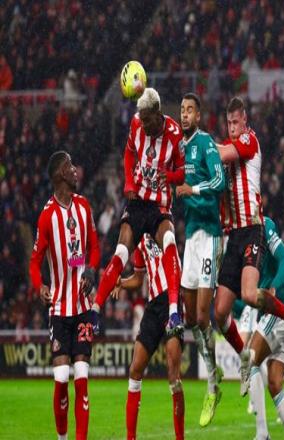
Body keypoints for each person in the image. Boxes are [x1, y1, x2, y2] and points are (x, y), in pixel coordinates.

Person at [214, 97, 284, 393]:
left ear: (245, 120)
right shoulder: (225, 151)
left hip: (253, 229)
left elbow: (222, 153)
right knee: (219, 312)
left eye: (236, 122)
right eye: (229, 123)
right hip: (233, 234)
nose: (233, 127)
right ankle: (244, 355)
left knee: (250, 294)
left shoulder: (248, 140)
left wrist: (199, 144)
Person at [92, 88, 184, 333]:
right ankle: (95, 310)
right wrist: (129, 183)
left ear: (158, 114)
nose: (143, 124)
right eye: (140, 120)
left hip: (160, 205)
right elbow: (128, 152)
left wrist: (170, 176)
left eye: (147, 120)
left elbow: (183, 172)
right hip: (138, 202)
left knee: (170, 240)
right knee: (121, 251)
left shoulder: (175, 134)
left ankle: (174, 313)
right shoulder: (136, 123)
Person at [29, 151, 100, 440]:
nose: (75, 170)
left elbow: (94, 247)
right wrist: (40, 286)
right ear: (60, 174)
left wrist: (91, 269)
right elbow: (35, 262)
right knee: (61, 378)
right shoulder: (47, 216)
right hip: (59, 308)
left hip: (82, 307)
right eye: (70, 166)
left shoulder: (84, 206)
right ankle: (62, 438)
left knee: (81, 376)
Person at [175, 92, 225, 427]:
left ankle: (212, 385)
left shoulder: (205, 143)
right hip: (191, 237)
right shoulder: (179, 149)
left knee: (204, 314)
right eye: (182, 110)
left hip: (210, 235)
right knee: (191, 316)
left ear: (199, 115)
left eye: (190, 110)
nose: (184, 114)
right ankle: (215, 372)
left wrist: (192, 190)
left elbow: (220, 180)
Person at [113, 233, 184, 440]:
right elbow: (138, 279)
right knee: (135, 369)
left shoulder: (165, 225)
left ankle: (180, 438)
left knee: (173, 374)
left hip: (172, 301)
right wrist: (121, 282)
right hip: (153, 307)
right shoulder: (140, 241)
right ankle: (130, 437)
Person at [245, 216, 284, 440]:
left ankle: (262, 434)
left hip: (280, 309)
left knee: (250, 361)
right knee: (275, 383)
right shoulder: (241, 232)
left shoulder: (264, 226)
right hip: (282, 312)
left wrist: (273, 287)